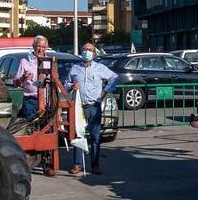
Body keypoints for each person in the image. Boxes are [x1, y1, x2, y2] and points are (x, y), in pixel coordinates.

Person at [64, 41, 118, 176]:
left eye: (89, 50)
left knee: (95, 137)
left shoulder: (100, 68)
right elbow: (65, 83)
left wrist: (105, 92)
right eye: (84, 49)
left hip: (94, 106)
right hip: (78, 107)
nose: (86, 51)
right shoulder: (75, 68)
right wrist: (71, 86)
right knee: (78, 135)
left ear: (94, 53)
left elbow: (114, 78)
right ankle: (77, 164)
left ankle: (95, 165)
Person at [11, 36, 51, 119]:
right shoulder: (25, 61)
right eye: (38, 46)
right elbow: (15, 84)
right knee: (29, 126)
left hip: (46, 101)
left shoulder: (49, 62)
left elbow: (54, 80)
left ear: (46, 48)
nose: (40, 49)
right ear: (33, 46)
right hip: (30, 101)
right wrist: (22, 78)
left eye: (43, 47)